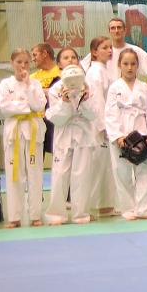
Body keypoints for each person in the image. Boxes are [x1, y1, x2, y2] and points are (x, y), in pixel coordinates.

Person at [45, 47, 98, 225]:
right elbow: (55, 118)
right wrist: (65, 102)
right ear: (59, 64)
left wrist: (84, 101)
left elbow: (93, 114)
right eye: (66, 58)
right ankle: (56, 214)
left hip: (83, 136)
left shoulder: (88, 87)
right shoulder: (55, 89)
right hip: (63, 135)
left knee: (81, 176)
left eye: (73, 57)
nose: (70, 60)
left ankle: (81, 214)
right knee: (60, 175)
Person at [105, 49, 147, 221]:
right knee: (122, 172)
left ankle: (144, 209)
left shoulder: (144, 87)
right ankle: (128, 209)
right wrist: (117, 136)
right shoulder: (114, 87)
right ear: (119, 65)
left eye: (133, 64)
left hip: (141, 131)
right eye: (125, 64)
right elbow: (110, 113)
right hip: (122, 132)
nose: (129, 67)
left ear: (137, 66)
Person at [0, 49, 46, 228]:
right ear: (12, 63)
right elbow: (5, 108)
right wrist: (26, 107)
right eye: (19, 62)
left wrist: (28, 87)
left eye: (26, 62)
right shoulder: (5, 84)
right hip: (14, 132)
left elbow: (39, 105)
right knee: (14, 174)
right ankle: (14, 217)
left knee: (35, 173)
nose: (23, 66)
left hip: (33, 131)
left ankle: (35, 215)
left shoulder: (35, 83)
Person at [85, 36, 119, 216]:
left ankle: (106, 205)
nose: (110, 50)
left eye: (110, 47)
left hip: (108, 123)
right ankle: (94, 207)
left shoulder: (105, 71)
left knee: (106, 167)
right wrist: (103, 126)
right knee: (98, 166)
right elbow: (96, 101)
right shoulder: (94, 72)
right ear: (94, 52)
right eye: (105, 47)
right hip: (97, 127)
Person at [81, 18, 147, 86]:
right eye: (113, 28)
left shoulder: (135, 51)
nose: (116, 31)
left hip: (126, 96)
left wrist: (145, 89)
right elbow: (80, 68)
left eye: (119, 27)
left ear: (125, 30)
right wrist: (85, 87)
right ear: (109, 31)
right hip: (106, 96)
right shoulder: (101, 52)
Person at [31, 43, 60, 156]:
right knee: (36, 159)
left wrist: (42, 91)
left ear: (44, 54)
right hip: (38, 122)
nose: (33, 59)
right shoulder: (32, 78)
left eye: (35, 55)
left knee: (59, 157)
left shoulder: (61, 73)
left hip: (56, 122)